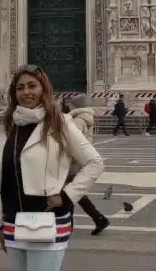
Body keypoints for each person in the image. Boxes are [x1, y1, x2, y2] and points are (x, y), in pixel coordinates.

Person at [0, 65, 103, 270]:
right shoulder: (7, 129)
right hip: (13, 224)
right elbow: (4, 182)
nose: (26, 92)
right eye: (20, 88)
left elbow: (94, 162)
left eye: (32, 86)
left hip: (47, 222)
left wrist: (66, 196)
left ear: (44, 89)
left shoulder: (60, 123)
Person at [63, 94, 109, 236]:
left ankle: (70, 223)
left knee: (67, 192)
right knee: (74, 192)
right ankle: (98, 219)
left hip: (73, 161)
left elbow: (72, 142)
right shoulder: (86, 117)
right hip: (79, 160)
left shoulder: (78, 120)